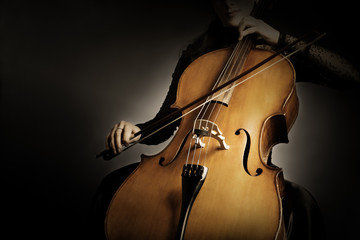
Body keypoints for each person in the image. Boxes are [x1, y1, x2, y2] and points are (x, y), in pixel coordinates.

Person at [92, 0, 360, 239]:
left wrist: (278, 37)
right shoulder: (197, 55)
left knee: (302, 205)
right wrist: (137, 131)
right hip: (181, 162)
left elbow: (350, 76)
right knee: (112, 186)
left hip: (243, 175)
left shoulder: (278, 55)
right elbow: (167, 122)